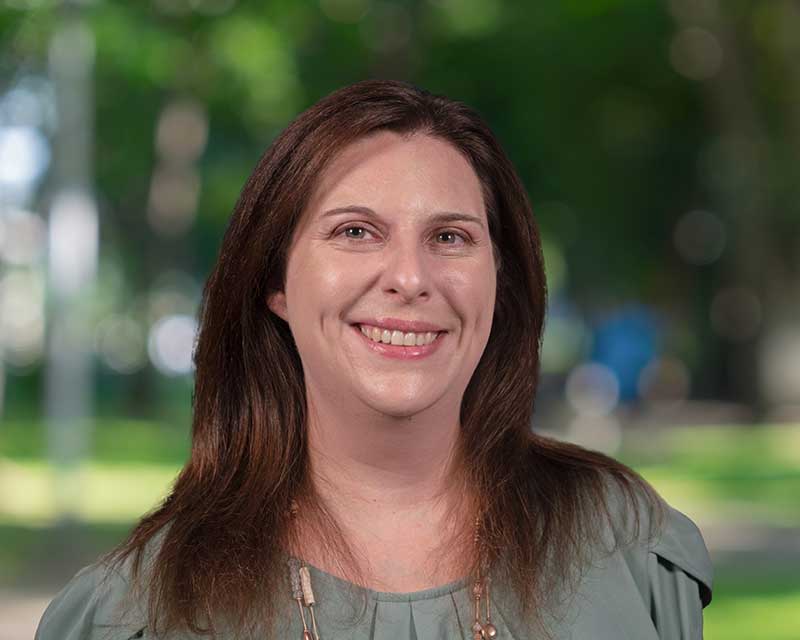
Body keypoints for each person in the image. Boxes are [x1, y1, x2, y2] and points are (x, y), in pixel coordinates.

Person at [35, 79, 712, 640]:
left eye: (450, 236)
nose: (411, 277)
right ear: (275, 282)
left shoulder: (627, 548)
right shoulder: (135, 613)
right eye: (355, 232)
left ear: (499, 280)